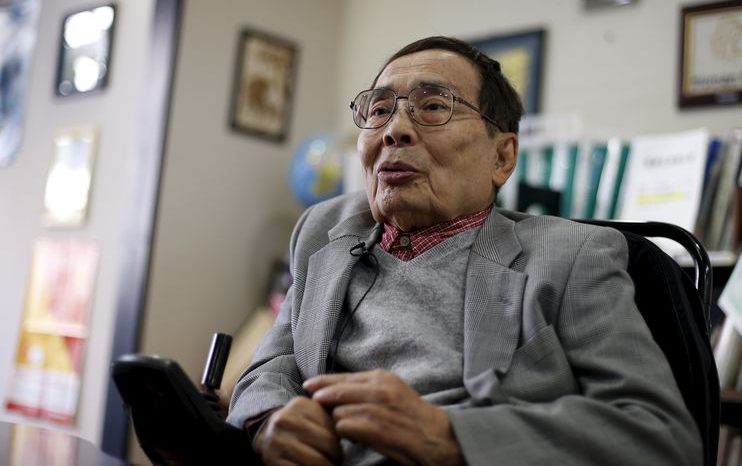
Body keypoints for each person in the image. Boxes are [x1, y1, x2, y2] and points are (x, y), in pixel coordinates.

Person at [228, 36, 702, 465]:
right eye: (378, 111)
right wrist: (268, 421)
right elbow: (272, 366)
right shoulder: (324, 229)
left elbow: (659, 437)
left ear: (502, 157)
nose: (396, 130)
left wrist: (450, 437)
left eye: (433, 107)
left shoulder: (573, 255)